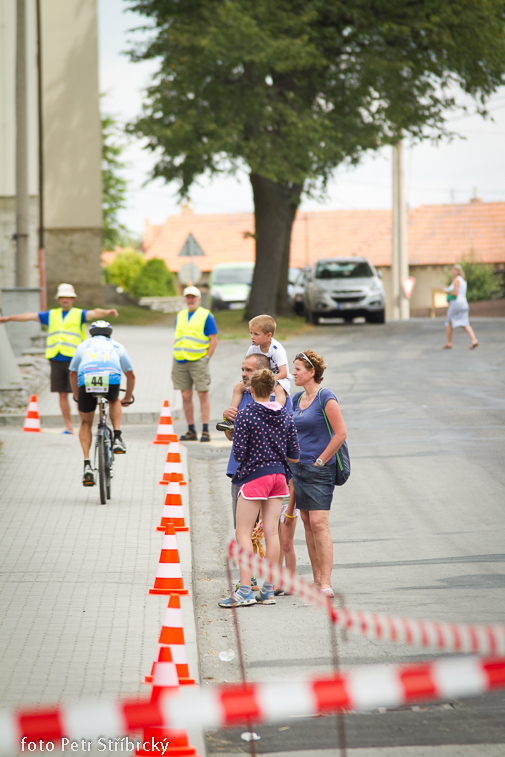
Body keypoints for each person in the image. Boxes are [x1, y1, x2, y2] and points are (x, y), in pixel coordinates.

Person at [219, 368, 299, 608]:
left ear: (251, 389)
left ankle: (244, 590)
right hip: (279, 477)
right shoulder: (285, 414)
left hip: (255, 476)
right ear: (273, 389)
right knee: (272, 533)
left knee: (242, 533)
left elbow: (239, 451)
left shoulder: (246, 414)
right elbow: (294, 453)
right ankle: (268, 589)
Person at [0, 283, 118, 434]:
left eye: (68, 297)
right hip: (56, 359)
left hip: (75, 360)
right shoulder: (51, 315)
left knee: (80, 394)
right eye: (63, 297)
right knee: (62, 394)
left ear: (73, 299)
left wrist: (107, 312)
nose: (65, 300)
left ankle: (84, 424)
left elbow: (94, 313)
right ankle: (69, 426)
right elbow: (30, 316)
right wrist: (8, 318)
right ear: (59, 299)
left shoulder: (78, 314)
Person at [287, 350, 347, 598]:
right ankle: (316, 579)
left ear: (312, 372)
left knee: (320, 524)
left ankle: (326, 582)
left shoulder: (326, 397)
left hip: (319, 470)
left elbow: (340, 433)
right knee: (308, 524)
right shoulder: (295, 399)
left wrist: (321, 460)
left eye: (298, 368)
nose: (294, 372)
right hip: (298, 470)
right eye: (293, 368)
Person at [69, 321, 135, 486]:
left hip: (86, 378)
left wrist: (77, 396)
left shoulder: (83, 345)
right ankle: (118, 437)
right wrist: (127, 397)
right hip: (111, 377)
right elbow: (131, 375)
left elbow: (72, 373)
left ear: (91, 333)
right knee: (114, 400)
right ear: (109, 334)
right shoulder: (117, 346)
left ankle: (86, 465)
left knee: (85, 422)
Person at [216, 314, 291, 433]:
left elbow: (284, 372)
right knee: (237, 387)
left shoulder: (277, 349)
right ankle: (231, 419)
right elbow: (247, 364)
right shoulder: (253, 348)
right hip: (258, 378)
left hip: (276, 378)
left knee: (280, 390)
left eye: (256, 334)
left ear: (269, 335)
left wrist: (268, 381)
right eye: (251, 333)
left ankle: (276, 414)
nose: (252, 337)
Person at [172, 286, 218, 442]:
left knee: (202, 394)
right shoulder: (180, 315)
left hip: (198, 360)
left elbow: (214, 339)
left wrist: (207, 358)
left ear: (199, 299)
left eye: (193, 297)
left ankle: (205, 430)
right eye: (187, 297)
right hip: (180, 360)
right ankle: (191, 430)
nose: (190, 300)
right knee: (185, 395)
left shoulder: (206, 315)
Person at [443, 264, 479, 350]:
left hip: (456, 304)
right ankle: (474, 339)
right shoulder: (463, 281)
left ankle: (449, 342)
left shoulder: (456, 280)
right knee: (465, 323)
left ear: (458, 271)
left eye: (454, 270)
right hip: (464, 303)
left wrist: (447, 291)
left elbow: (455, 293)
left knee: (449, 321)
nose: (452, 272)